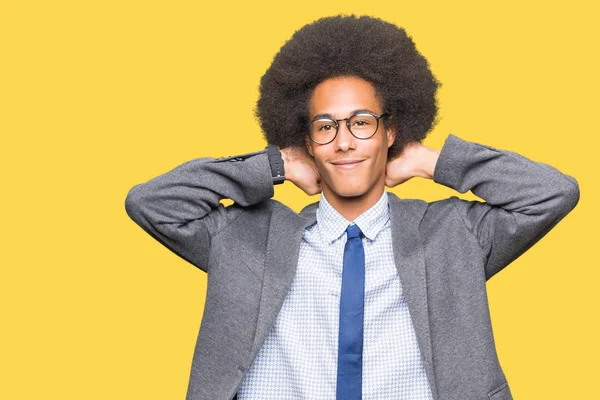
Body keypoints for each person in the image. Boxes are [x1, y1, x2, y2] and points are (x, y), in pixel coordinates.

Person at [125, 15, 579, 400]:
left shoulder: (453, 234)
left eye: (362, 123)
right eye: (325, 127)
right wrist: (274, 164)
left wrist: (429, 161)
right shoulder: (243, 239)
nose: (344, 141)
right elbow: (152, 203)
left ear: (390, 129)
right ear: (307, 141)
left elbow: (551, 193)